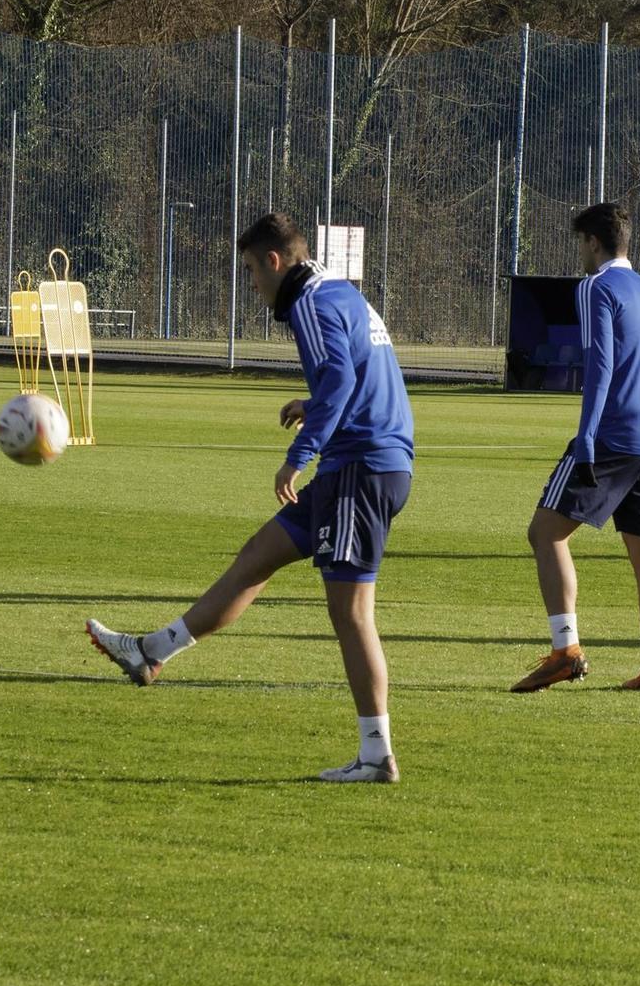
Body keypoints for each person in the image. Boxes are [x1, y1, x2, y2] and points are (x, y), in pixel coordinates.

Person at [85, 213, 416, 782]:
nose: (252, 286)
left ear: (274, 260)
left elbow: (339, 379)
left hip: (358, 469)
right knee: (258, 556)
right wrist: (313, 409)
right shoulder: (339, 293)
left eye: (250, 272)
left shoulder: (311, 303)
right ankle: (151, 652)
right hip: (368, 463)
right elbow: (359, 376)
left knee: (351, 612)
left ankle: (376, 753)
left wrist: (300, 452)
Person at [514, 203, 640, 693]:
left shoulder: (595, 287)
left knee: (545, 533)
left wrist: (586, 436)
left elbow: (599, 363)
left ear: (591, 241)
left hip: (611, 438)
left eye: (579, 243)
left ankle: (566, 650)